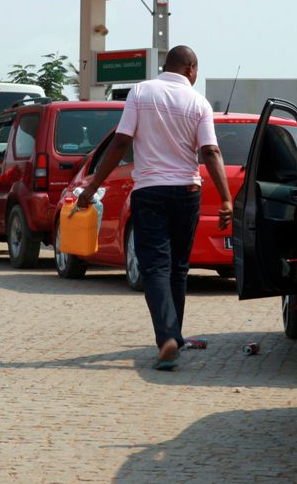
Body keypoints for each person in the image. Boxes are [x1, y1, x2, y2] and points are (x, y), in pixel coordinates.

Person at [77, 45, 232, 370]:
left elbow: (121, 142)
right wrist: (226, 198)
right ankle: (173, 336)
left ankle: (168, 339)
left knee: (156, 267)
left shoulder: (141, 92)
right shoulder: (198, 102)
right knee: (178, 267)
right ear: (191, 68)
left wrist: (92, 186)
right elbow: (211, 152)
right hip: (188, 191)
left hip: (150, 192)